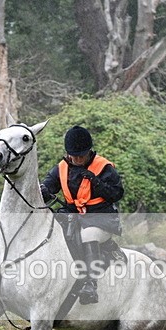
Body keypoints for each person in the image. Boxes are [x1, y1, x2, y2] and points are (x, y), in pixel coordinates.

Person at [40, 126, 123, 305]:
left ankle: (90, 284)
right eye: (73, 155)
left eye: (81, 156)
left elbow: (116, 194)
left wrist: (95, 181)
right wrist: (43, 190)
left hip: (101, 219)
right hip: (73, 217)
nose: (76, 159)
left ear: (89, 152)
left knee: (88, 235)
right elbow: (48, 186)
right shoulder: (62, 167)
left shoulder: (103, 167)